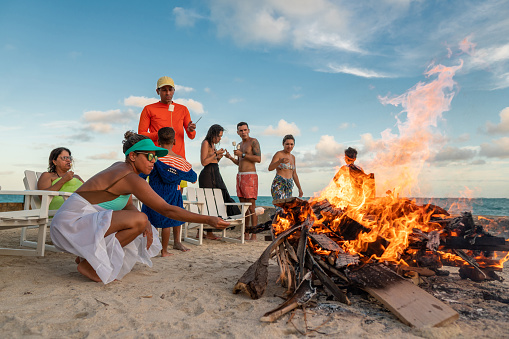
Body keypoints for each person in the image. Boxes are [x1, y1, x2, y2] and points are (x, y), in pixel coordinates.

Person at [50, 131, 229, 284]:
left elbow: (127, 205)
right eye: (149, 156)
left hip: (72, 223)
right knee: (141, 220)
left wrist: (146, 227)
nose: (154, 161)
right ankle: (89, 265)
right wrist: (207, 219)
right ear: (133, 156)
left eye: (156, 157)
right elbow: (167, 210)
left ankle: (86, 255)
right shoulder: (130, 177)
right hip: (70, 224)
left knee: (142, 222)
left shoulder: (123, 170)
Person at [140, 127, 196, 256]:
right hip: (172, 193)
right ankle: (164, 251)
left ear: (158, 141)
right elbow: (193, 177)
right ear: (174, 141)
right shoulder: (180, 160)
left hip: (152, 192)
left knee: (150, 220)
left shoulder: (154, 158)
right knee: (167, 223)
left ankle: (147, 249)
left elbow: (142, 175)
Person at [138, 76, 196, 191]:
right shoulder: (148, 109)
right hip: (157, 160)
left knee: (177, 196)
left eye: (170, 89)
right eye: (164, 90)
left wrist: (190, 130)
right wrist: (161, 134)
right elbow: (141, 135)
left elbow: (192, 135)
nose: (167, 93)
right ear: (157, 91)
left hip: (179, 160)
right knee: (156, 195)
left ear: (174, 90)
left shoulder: (183, 109)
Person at [199, 124, 240, 240]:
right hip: (207, 174)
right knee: (208, 201)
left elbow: (214, 160)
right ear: (213, 134)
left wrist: (220, 156)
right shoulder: (206, 143)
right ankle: (204, 232)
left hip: (215, 172)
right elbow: (203, 162)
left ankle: (208, 231)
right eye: (219, 136)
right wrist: (216, 154)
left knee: (218, 199)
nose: (220, 139)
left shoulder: (212, 145)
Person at [225, 122, 261, 241]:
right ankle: (245, 233)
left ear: (249, 130)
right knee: (243, 207)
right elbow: (240, 162)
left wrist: (243, 154)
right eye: (241, 130)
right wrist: (231, 157)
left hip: (250, 176)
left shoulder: (253, 141)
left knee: (251, 207)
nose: (243, 132)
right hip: (240, 176)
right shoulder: (239, 144)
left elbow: (258, 159)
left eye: (245, 130)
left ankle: (254, 235)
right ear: (237, 132)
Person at [268, 135, 303, 207]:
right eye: (287, 144)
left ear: (294, 145)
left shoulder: (293, 157)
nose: (289, 146)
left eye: (291, 144)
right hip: (279, 183)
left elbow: (294, 174)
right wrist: (280, 161)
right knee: (280, 208)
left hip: (289, 185)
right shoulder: (279, 154)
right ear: (283, 144)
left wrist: (299, 188)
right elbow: (270, 168)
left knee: (287, 210)